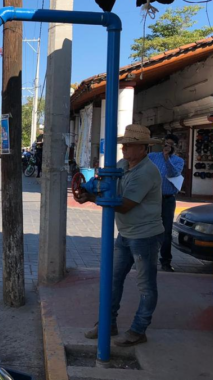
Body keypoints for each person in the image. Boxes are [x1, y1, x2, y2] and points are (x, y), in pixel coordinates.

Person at [74, 124, 164, 347]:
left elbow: (125, 205)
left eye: (129, 145)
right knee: (113, 281)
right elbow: (107, 184)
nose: (124, 149)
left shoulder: (146, 172)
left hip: (145, 236)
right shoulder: (124, 165)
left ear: (143, 148)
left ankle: (138, 330)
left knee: (145, 286)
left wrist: (93, 198)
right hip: (125, 233)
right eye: (124, 145)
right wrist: (89, 190)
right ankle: (107, 324)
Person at [148, 134, 185, 272]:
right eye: (166, 144)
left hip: (168, 199)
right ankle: (147, 258)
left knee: (166, 231)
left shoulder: (178, 160)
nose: (167, 147)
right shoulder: (152, 157)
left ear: (175, 146)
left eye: (171, 144)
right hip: (152, 198)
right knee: (149, 228)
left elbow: (174, 174)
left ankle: (166, 261)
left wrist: (167, 159)